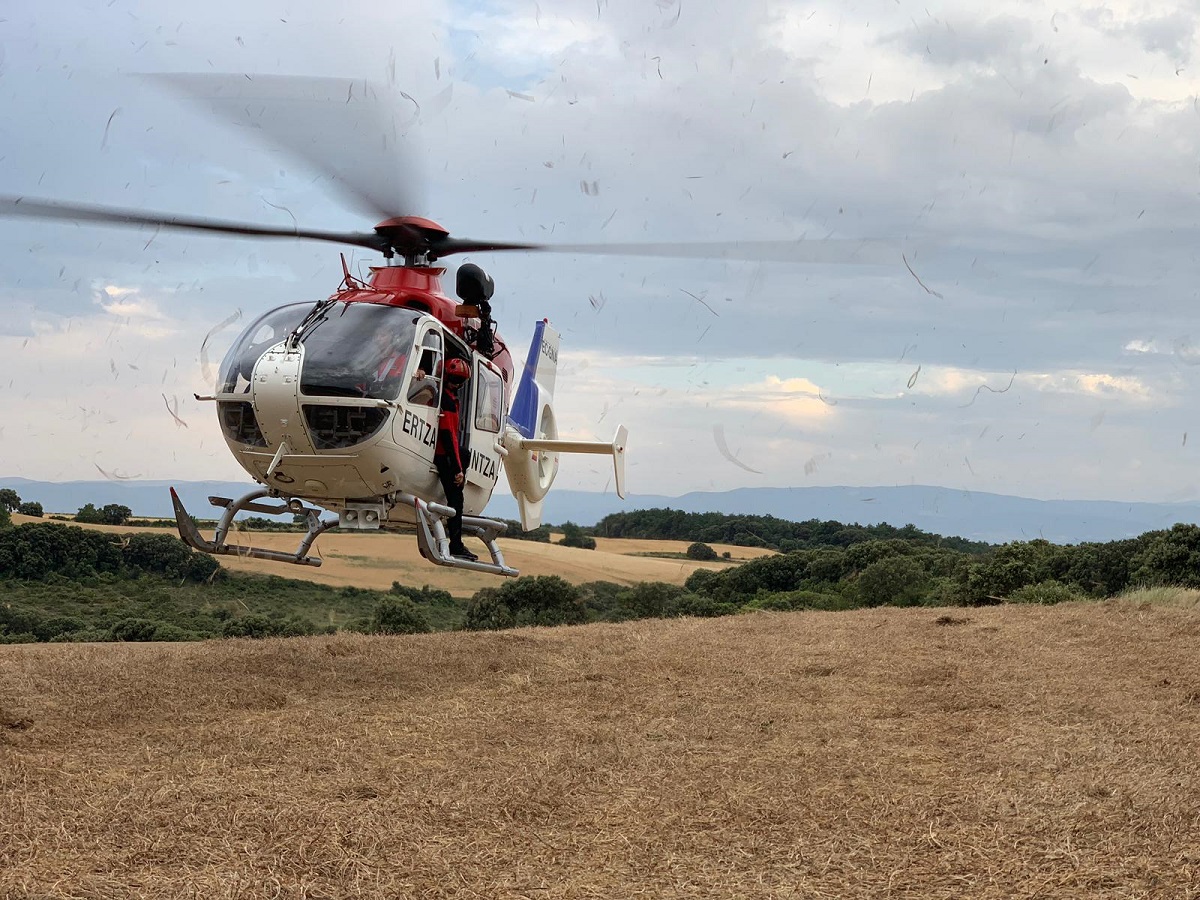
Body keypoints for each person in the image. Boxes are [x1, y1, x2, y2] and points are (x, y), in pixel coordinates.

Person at [435, 357, 477, 561]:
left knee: (465, 453)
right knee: (457, 499)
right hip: (443, 455)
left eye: (459, 380)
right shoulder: (448, 401)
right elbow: (448, 435)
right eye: (455, 379)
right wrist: (459, 470)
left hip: (440, 452)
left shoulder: (437, 393)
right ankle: (456, 544)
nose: (456, 384)